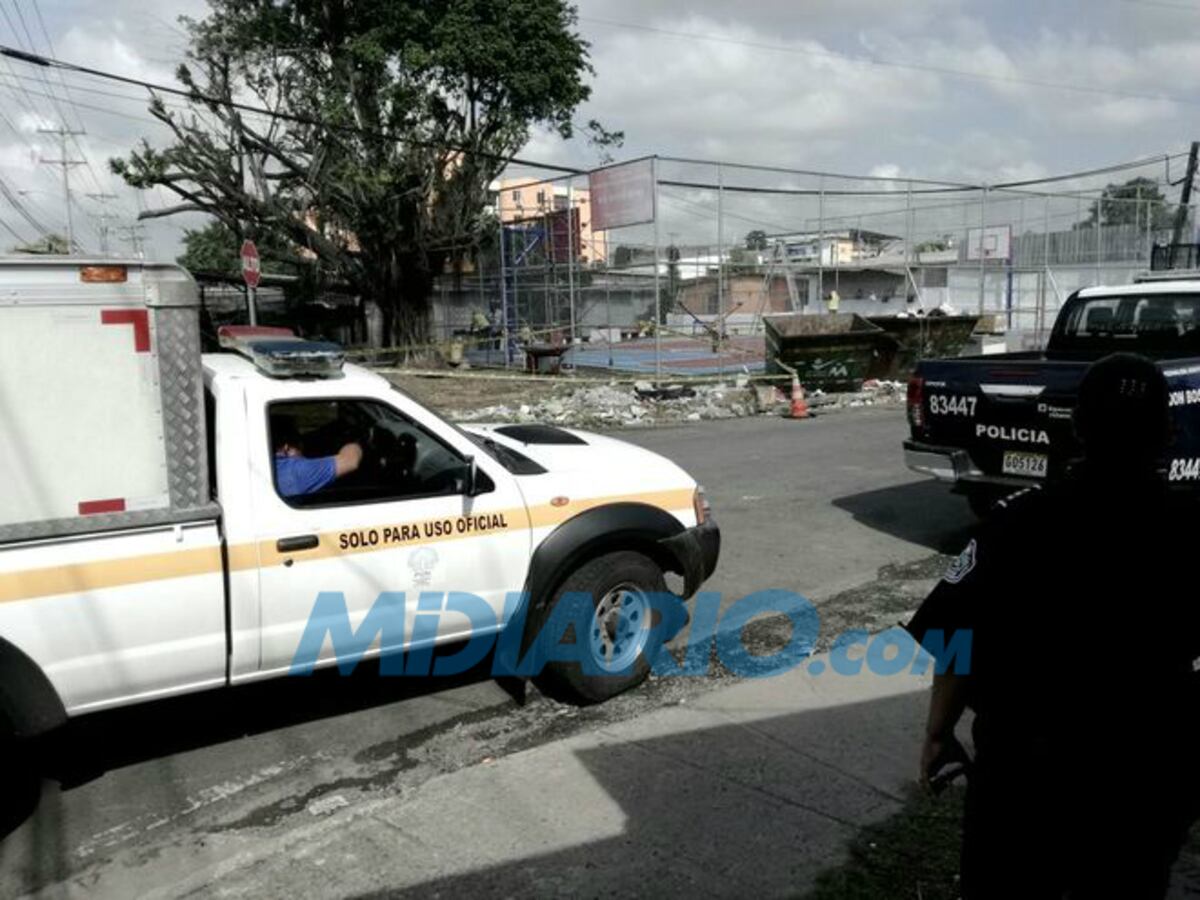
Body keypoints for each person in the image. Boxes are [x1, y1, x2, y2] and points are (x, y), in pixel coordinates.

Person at [905, 352, 1200, 899]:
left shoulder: (1016, 522)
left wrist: (937, 733)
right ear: (1167, 430)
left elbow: (954, 635)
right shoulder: (1188, 533)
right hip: (1144, 781)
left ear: (1079, 427)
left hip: (1025, 779)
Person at [273, 419, 363, 497]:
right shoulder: (295, 471)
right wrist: (357, 441)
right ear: (287, 449)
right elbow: (350, 462)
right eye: (300, 446)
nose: (303, 452)